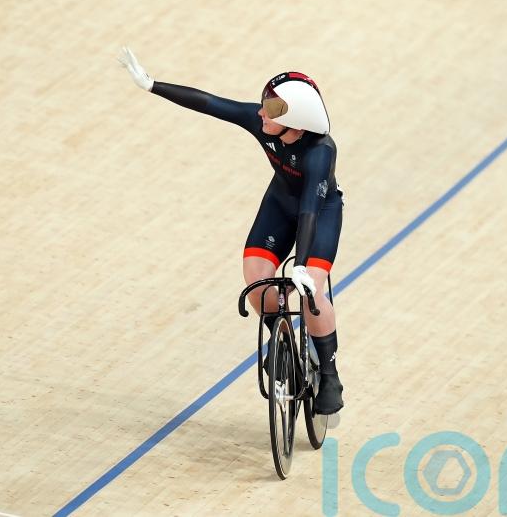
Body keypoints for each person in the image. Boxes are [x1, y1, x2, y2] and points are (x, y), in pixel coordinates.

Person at [119, 47, 344, 414]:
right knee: (256, 282)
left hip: (319, 213)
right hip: (279, 203)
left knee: (311, 293)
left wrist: (301, 265)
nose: (261, 112)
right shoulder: (264, 124)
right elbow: (212, 104)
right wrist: (152, 85)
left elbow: (309, 211)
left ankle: (330, 375)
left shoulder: (320, 152)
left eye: (272, 108)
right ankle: (282, 341)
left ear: (296, 122)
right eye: (265, 103)